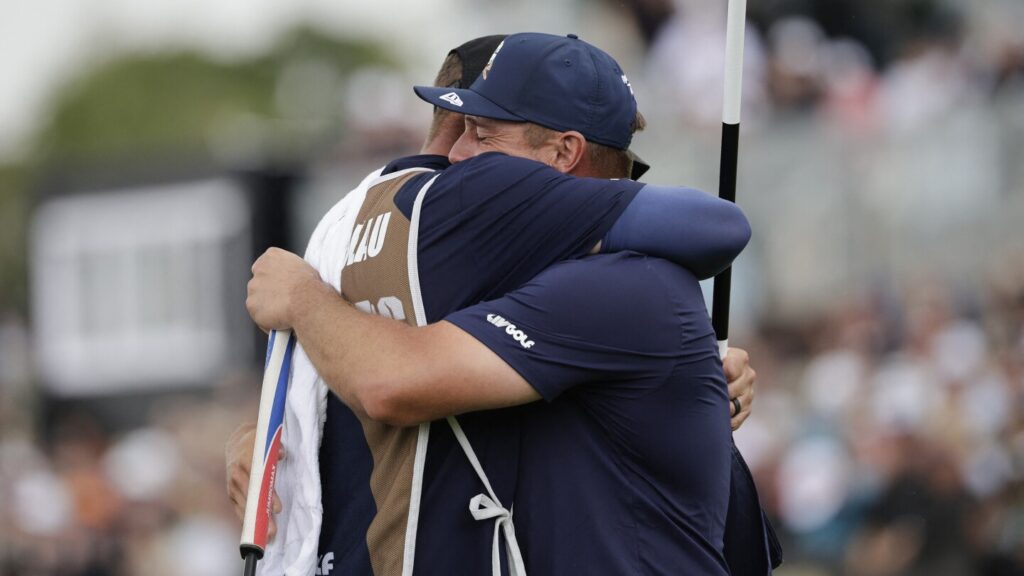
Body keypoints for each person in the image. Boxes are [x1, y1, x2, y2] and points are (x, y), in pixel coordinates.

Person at [230, 33, 766, 575]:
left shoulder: (628, 286)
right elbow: (404, 391)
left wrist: (303, 299)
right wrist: (278, 441)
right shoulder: (522, 281)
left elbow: (390, 381)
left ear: (564, 152)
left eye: (483, 137)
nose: (456, 156)